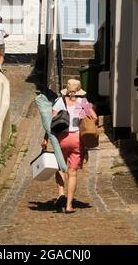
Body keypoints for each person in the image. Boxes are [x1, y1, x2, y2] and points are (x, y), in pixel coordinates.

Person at [41, 79, 97, 214]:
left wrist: (45, 139)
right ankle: (69, 205)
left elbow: (51, 123)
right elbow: (94, 118)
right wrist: (82, 116)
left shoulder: (60, 101)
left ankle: (61, 193)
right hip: (77, 139)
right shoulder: (83, 102)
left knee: (60, 166)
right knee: (72, 173)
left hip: (62, 139)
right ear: (79, 90)